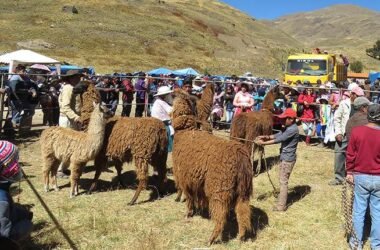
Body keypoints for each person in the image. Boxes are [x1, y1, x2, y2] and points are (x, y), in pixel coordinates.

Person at [346, 104, 380, 250]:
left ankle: (356, 244)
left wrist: (349, 172)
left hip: (361, 176)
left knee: (359, 211)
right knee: (377, 213)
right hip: (378, 177)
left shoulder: (357, 132)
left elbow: (351, 154)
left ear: (368, 115)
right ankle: (376, 245)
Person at [256, 108, 299, 212]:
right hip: (285, 157)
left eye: (285, 119)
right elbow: (279, 134)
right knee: (282, 180)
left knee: (283, 182)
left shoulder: (293, 130)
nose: (282, 121)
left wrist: (263, 143)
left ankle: (281, 206)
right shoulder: (288, 127)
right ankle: (281, 202)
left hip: (287, 159)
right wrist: (266, 137)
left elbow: (280, 139)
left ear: (291, 119)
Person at [329, 86, 364, 185]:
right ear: (352, 95)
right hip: (344, 134)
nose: (359, 98)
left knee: (357, 156)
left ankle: (355, 177)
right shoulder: (344, 104)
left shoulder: (363, 106)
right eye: (358, 96)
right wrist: (338, 133)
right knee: (339, 153)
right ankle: (339, 177)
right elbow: (337, 118)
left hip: (358, 135)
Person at [0, 140, 33, 242]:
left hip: (5, 212)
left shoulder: (3, 186)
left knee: (23, 214)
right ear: (4, 165)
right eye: (13, 161)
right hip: (4, 238)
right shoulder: (2, 199)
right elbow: (3, 235)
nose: (17, 165)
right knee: (27, 225)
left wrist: (24, 214)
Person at [57, 70, 83, 178]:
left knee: (69, 145)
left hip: (68, 118)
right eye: (76, 77)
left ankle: (63, 168)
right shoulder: (69, 88)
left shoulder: (69, 87)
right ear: (71, 78)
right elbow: (65, 106)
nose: (78, 79)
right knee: (68, 145)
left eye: (78, 77)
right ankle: (60, 170)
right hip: (68, 119)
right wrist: (76, 117)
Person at [151, 86, 174, 152]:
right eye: (168, 95)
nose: (169, 96)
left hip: (157, 121)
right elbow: (171, 111)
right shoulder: (161, 102)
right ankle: (167, 147)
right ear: (164, 95)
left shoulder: (158, 101)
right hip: (162, 123)